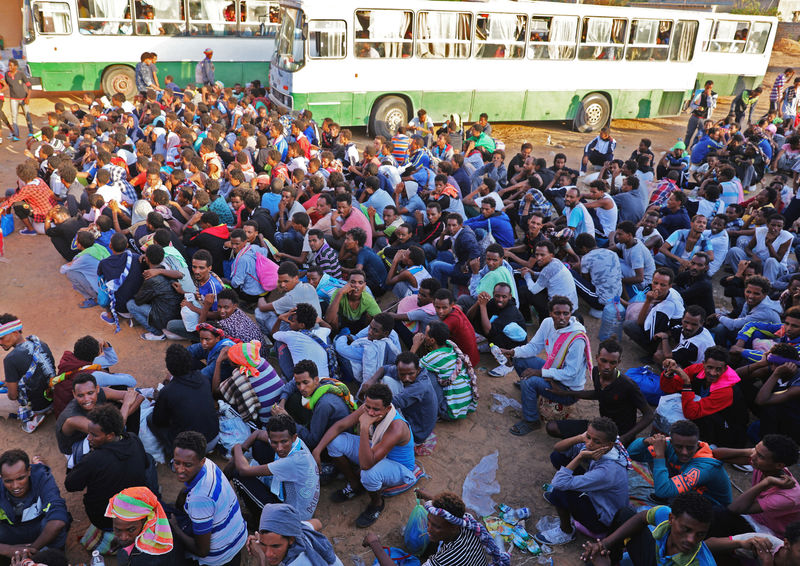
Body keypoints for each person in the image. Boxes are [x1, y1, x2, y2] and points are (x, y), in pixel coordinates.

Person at [312, 384, 418, 529]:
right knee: (335, 442)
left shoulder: (396, 427)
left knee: (368, 474)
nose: (370, 412)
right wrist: (317, 450)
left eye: (375, 409)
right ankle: (355, 484)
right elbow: (339, 426)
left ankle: (377, 504)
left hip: (398, 466)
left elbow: (366, 464)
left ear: (387, 409)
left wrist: (363, 427)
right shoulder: (369, 408)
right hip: (377, 451)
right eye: (367, 407)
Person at [501, 296, 591, 436]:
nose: (562, 317)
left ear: (570, 314)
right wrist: (512, 352)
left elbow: (570, 373)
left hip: (566, 389)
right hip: (552, 372)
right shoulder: (547, 323)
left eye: (566, 313)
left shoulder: (576, 339)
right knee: (519, 359)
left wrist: (540, 373)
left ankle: (532, 421)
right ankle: (534, 391)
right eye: (557, 313)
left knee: (529, 381)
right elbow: (534, 347)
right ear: (550, 313)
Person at [535, 417, 630, 545]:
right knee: (558, 457)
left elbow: (558, 483)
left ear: (609, 445)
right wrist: (580, 438)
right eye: (588, 437)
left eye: (596, 441)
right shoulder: (599, 445)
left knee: (560, 490)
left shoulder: (608, 471)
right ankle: (566, 506)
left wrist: (580, 456)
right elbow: (558, 448)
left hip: (602, 520)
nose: (589, 444)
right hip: (596, 494)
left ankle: (566, 531)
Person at [546, 339, 654, 446]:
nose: (607, 366)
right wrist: (566, 393)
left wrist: (625, 438)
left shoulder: (628, 385)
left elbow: (649, 415)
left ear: (618, 362)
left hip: (618, 436)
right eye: (604, 361)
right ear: (597, 358)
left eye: (612, 363)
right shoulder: (596, 372)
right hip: (600, 428)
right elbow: (599, 394)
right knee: (552, 427)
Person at [64, 405, 151, 534]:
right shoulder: (133, 439)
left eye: (94, 435)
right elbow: (146, 464)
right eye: (89, 433)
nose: (89, 438)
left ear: (110, 436)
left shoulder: (93, 460)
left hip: (105, 520)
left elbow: (70, 485)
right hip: (135, 511)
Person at [364, 490, 508, 566]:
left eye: (437, 526)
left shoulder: (446, 559)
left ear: (453, 527)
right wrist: (432, 499)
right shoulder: (468, 523)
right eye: (429, 522)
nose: (429, 528)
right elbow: (466, 512)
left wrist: (375, 543)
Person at [170, 431, 248, 566]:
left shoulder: (199, 498)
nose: (180, 469)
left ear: (201, 461)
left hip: (218, 557)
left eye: (187, 465)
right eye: (177, 462)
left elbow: (202, 551)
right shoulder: (209, 465)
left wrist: (175, 528)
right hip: (237, 538)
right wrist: (183, 494)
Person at [580, 492, 717, 566]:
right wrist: (604, 544)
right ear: (671, 519)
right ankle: (611, 557)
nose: (692, 540)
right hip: (653, 559)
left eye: (700, 534)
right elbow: (641, 517)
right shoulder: (664, 513)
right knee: (626, 514)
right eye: (686, 529)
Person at [229, 414, 320, 521]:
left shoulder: (293, 461)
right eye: (274, 442)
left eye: (283, 442)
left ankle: (258, 522)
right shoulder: (295, 443)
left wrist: (237, 448)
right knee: (259, 445)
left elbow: (244, 471)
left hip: (291, 520)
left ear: (293, 437)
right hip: (297, 502)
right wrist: (244, 447)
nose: (279, 448)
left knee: (238, 475)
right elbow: (257, 434)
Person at [711, 434, 800, 538]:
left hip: (768, 531)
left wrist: (766, 482)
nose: (753, 457)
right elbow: (715, 454)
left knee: (718, 515)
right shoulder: (764, 464)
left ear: (779, 465)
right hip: (754, 517)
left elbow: (734, 509)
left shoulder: (788, 497)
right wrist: (749, 451)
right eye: (756, 451)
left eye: (760, 456)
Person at [627, 420, 733, 507]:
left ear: (697, 444)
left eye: (690, 448)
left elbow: (662, 491)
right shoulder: (669, 444)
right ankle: (669, 497)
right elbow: (632, 454)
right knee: (658, 458)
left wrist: (659, 456)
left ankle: (670, 496)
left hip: (713, 507)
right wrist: (646, 441)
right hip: (692, 495)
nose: (684, 452)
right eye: (679, 447)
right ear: (671, 442)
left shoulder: (703, 467)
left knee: (659, 460)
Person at [660, 347, 748, 447]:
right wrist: (669, 371)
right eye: (710, 367)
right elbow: (668, 388)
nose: (713, 373)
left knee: (698, 415)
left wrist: (687, 383)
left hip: (728, 432)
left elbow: (691, 413)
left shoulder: (726, 390)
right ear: (703, 363)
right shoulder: (697, 369)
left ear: (725, 369)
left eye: (718, 369)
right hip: (708, 418)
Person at [150, 345, 220, 455]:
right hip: (214, 438)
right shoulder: (203, 378)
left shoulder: (168, 391)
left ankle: (172, 452)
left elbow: (158, 420)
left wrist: (159, 399)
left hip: (192, 450)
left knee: (150, 419)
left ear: (169, 367)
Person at [55, 372, 143, 461]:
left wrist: (123, 412)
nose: (87, 399)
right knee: (111, 439)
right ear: (74, 394)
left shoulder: (102, 392)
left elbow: (138, 397)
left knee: (121, 391)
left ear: (97, 389)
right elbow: (111, 431)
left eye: (90, 393)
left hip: (96, 431)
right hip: (78, 447)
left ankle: (131, 440)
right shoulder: (73, 419)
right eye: (81, 395)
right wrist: (126, 405)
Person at [273, 360, 357, 451]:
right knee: (292, 398)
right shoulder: (324, 382)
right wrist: (282, 402)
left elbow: (312, 440)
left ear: (316, 380)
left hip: (332, 444)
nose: (301, 388)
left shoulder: (324, 404)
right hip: (324, 425)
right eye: (299, 383)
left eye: (305, 383)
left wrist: (287, 419)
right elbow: (292, 384)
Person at [0, 449, 69, 558]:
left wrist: (31, 550)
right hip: (12, 531)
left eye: (20, 478)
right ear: (1, 477)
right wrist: (8, 550)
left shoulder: (42, 478)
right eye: (8, 481)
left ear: (29, 471)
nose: (15, 486)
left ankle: (55, 555)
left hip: (40, 529)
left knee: (55, 526)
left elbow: (58, 521)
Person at [361, 352, 438, 448]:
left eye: (411, 374)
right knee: (387, 379)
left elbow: (391, 403)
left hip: (415, 435)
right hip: (411, 416)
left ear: (418, 370)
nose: (406, 378)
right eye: (402, 374)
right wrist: (371, 380)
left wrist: (366, 409)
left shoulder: (421, 386)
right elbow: (384, 368)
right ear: (398, 370)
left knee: (379, 409)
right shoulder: (408, 371)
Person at [411, 321, 478, 422]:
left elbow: (408, 367)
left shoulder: (435, 357)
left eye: (425, 334)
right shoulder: (451, 347)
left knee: (423, 375)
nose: (423, 336)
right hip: (465, 406)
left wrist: (415, 345)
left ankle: (435, 412)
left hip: (449, 412)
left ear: (432, 340)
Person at [0, 314, 56, 433]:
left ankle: (32, 418)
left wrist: (8, 388)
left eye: (2, 337)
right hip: (54, 396)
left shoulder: (10, 359)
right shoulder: (41, 344)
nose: (0, 342)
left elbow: (13, 396)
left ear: (15, 333)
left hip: (37, 405)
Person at [246, 504, 343, 566]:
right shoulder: (299, 531)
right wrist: (263, 540)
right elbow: (317, 523)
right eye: (263, 544)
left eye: (275, 546)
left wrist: (260, 555)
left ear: (291, 539)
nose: (268, 553)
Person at [105, 486, 175, 566]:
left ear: (145, 521)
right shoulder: (160, 525)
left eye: (131, 530)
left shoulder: (147, 558)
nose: (123, 537)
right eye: (118, 530)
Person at [623, 268, 685, 356]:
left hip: (670, 335)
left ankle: (651, 352)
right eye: (655, 283)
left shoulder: (665, 307)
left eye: (663, 285)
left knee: (629, 325)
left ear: (670, 286)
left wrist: (648, 301)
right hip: (671, 326)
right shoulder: (673, 292)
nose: (657, 288)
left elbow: (641, 324)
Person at [127, 244, 183, 341]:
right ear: (162, 259)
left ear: (147, 259)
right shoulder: (165, 269)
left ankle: (157, 333)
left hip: (163, 318)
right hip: (175, 313)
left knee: (131, 304)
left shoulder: (151, 278)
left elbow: (138, 300)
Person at [707, 275, 782, 346]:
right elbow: (739, 321)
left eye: (756, 294)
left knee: (721, 328)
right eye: (748, 292)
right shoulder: (749, 303)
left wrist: (718, 316)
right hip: (749, 335)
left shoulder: (766, 312)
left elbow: (734, 325)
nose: (751, 296)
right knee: (721, 328)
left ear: (765, 294)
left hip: (766, 345)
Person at [518, 240, 579, 323]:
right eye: (537, 254)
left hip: (559, 308)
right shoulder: (556, 261)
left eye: (542, 255)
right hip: (570, 305)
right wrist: (532, 273)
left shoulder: (548, 269)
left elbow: (533, 290)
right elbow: (545, 276)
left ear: (551, 255)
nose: (538, 258)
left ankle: (528, 320)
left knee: (523, 291)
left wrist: (527, 275)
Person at [256, 261, 321, 334]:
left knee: (259, 312)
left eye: (286, 281)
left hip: (303, 333)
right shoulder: (309, 286)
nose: (282, 285)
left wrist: (261, 294)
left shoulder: (291, 298)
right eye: (280, 281)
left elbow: (263, 307)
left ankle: (271, 339)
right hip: (317, 329)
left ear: (296, 278)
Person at [429, 213, 481, 290]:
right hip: (458, 261)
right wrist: (443, 234)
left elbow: (476, 253)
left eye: (454, 225)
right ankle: (443, 288)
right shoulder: (455, 234)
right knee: (437, 258)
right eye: (449, 225)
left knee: (436, 266)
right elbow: (440, 247)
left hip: (465, 268)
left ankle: (438, 292)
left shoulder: (466, 237)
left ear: (460, 225)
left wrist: (465, 265)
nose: (451, 228)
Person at [431, 289, 480, 367]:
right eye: (437, 307)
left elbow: (434, 340)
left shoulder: (451, 320)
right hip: (473, 357)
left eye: (444, 308)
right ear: (433, 304)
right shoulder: (455, 308)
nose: (440, 311)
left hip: (466, 362)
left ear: (451, 305)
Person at [325, 270, 380, 335]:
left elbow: (379, 318)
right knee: (334, 317)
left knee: (370, 316)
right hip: (343, 322)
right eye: (353, 282)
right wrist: (340, 293)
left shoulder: (367, 298)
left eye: (360, 283)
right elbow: (328, 319)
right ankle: (336, 336)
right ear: (347, 283)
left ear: (364, 286)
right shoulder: (339, 292)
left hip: (360, 324)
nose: (356, 285)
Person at [673, 252, 715, 319]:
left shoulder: (704, 284)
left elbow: (680, 295)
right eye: (693, 263)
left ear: (706, 268)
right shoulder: (688, 274)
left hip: (701, 320)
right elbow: (672, 283)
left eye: (700, 265)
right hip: (690, 310)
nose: (695, 267)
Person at [4, 59, 33, 141]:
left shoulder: (21, 74)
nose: (9, 67)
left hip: (23, 98)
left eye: (11, 65)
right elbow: (7, 85)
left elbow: (29, 86)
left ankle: (31, 132)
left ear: (16, 66)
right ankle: (16, 135)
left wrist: (28, 98)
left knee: (27, 115)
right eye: (9, 65)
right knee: (14, 116)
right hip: (13, 99)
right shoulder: (7, 74)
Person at [686, 80, 718, 147]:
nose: (708, 89)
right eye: (707, 88)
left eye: (710, 88)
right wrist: (697, 107)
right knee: (689, 134)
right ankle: (684, 149)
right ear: (705, 86)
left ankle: (694, 148)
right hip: (694, 116)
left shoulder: (714, 95)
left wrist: (709, 96)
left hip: (704, 120)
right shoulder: (699, 92)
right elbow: (692, 104)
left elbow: (710, 105)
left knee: (699, 136)